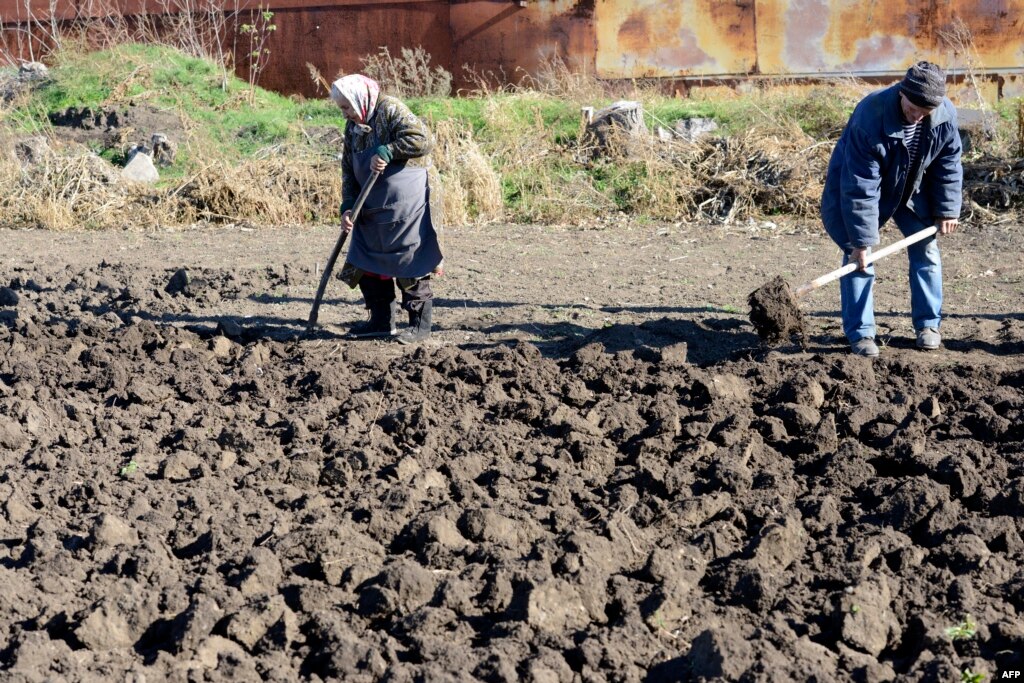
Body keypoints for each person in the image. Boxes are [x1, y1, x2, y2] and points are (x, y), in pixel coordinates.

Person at [820, 61, 963, 357]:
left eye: (925, 112)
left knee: (926, 249)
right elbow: (861, 187)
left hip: (912, 189)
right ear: (902, 93)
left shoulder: (943, 115)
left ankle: (928, 325)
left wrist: (948, 208)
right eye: (912, 108)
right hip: (868, 187)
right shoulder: (869, 118)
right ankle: (861, 333)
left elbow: (949, 164)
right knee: (858, 257)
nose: (917, 116)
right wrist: (861, 242)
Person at [329, 74, 443, 344]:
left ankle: (419, 327)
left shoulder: (389, 109)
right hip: (370, 204)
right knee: (367, 260)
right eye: (341, 108)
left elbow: (423, 140)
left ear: (360, 99)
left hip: (407, 202)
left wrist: (389, 150)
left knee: (409, 259)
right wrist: (347, 206)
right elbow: (348, 168)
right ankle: (381, 321)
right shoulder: (353, 126)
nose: (345, 114)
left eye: (347, 106)